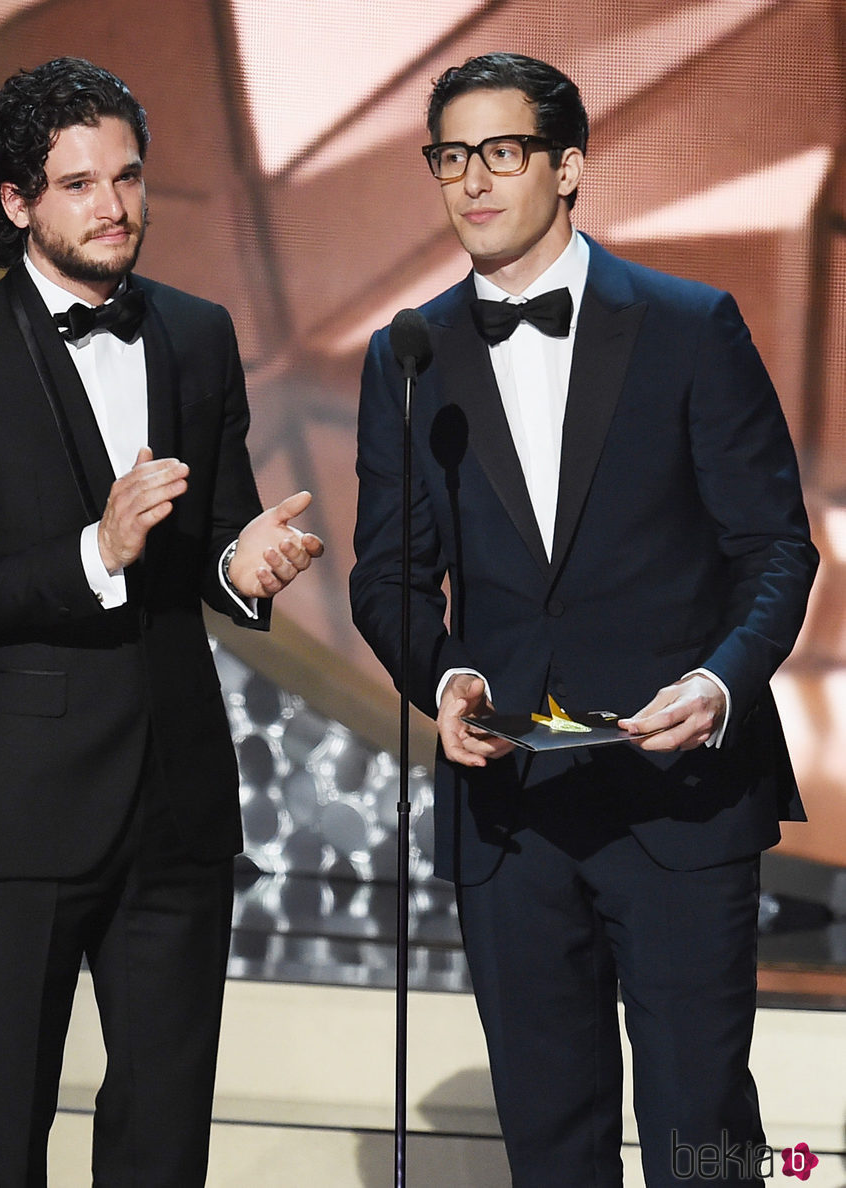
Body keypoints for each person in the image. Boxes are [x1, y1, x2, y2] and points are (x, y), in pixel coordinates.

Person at [350, 52, 817, 1186]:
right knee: (548, 1141)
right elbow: (389, 579)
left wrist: (713, 686)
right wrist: (445, 680)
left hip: (678, 798)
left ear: (566, 168)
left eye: (499, 152)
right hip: (511, 812)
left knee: (699, 1137)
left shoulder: (686, 325)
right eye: (449, 157)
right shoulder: (409, 354)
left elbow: (773, 550)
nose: (470, 181)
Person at [0, 57, 322, 1186]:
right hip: (23, 808)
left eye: (126, 178)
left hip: (176, 805)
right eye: (79, 184)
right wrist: (97, 551)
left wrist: (245, 562)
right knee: (4, 1132)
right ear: (18, 202)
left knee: (165, 1138)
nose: (114, 206)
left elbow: (216, 540)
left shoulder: (196, 332)